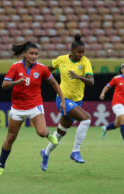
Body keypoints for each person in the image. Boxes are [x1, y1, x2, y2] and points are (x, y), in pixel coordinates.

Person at [0, 41, 66, 176]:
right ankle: (0, 166)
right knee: (10, 138)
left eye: (36, 54)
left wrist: (62, 100)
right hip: (18, 107)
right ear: (25, 54)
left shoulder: (41, 68)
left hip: (34, 105)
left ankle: (48, 135)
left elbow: (54, 84)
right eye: (31, 53)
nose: (34, 56)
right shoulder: (15, 67)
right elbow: (4, 85)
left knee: (42, 132)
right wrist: (16, 82)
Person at [40, 34, 94, 171]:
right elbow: (47, 71)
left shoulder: (85, 62)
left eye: (83, 52)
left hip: (77, 102)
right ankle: (75, 151)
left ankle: (45, 153)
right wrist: (33, 74)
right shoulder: (61, 59)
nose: (81, 54)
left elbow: (91, 82)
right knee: (87, 119)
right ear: (71, 50)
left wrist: (79, 77)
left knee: (60, 132)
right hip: (63, 99)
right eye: (78, 52)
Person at [99, 63, 124, 147]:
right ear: (121, 69)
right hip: (117, 103)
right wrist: (103, 93)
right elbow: (107, 86)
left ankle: (105, 128)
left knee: (117, 124)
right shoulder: (116, 78)